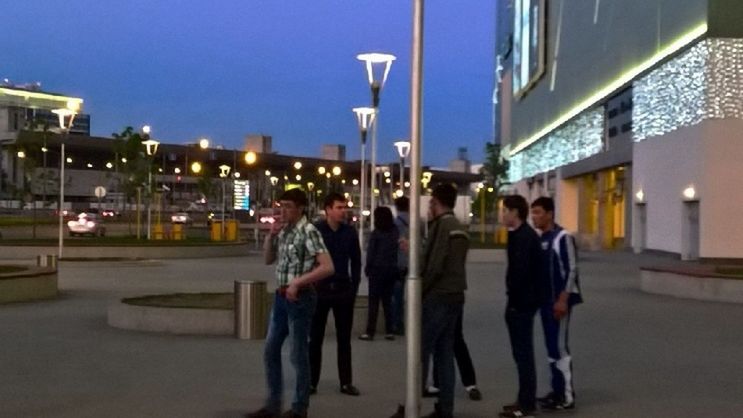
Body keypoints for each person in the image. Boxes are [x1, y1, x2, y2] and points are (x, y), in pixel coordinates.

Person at [248, 188, 335, 418]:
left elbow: (327, 267)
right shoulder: (285, 231)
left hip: (301, 299)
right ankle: (273, 403)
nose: (282, 211)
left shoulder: (308, 232)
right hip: (281, 297)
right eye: (281, 206)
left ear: (300, 208)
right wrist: (270, 236)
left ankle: (299, 407)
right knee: (271, 350)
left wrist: (299, 282)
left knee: (298, 354)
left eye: (287, 206)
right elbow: (268, 260)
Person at [391, 183, 470, 418]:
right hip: (455, 295)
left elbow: (434, 264)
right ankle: (445, 409)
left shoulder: (441, 226)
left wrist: (419, 292)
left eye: (431, 203)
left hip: (438, 296)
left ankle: (410, 406)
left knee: (420, 352)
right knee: (445, 353)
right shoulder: (459, 226)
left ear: (436, 203)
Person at [530, 196, 582, 411]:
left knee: (560, 348)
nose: (534, 217)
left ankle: (567, 397)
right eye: (532, 213)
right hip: (544, 302)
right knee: (551, 348)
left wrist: (563, 299)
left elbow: (572, 268)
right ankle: (557, 389)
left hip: (558, 303)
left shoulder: (563, 237)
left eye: (538, 212)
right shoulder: (541, 238)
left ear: (550, 214)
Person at [499, 194, 548, 418]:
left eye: (504, 210)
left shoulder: (524, 237)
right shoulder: (519, 235)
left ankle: (526, 403)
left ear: (515, 212)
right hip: (522, 301)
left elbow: (522, 273)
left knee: (523, 353)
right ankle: (523, 399)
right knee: (521, 353)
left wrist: (516, 302)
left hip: (522, 303)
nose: (502, 214)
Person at [309, 193, 362, 396]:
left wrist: (353, 288)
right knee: (315, 338)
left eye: (344, 208)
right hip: (320, 290)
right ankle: (312, 381)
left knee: (344, 339)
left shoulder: (349, 232)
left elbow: (356, 261)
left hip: (342, 290)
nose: (343, 211)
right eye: (339, 208)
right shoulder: (317, 231)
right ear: (328, 209)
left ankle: (346, 382)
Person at [359, 206, 399, 341]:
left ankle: (370, 331)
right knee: (388, 301)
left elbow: (371, 253)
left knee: (374, 302)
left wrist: (367, 268)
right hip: (391, 269)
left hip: (376, 270)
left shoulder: (376, 233)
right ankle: (390, 330)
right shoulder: (395, 232)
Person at [391, 196, 410, 336]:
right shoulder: (418, 222)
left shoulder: (395, 223)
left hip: (399, 262)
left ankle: (398, 323)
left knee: (397, 295)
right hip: (413, 262)